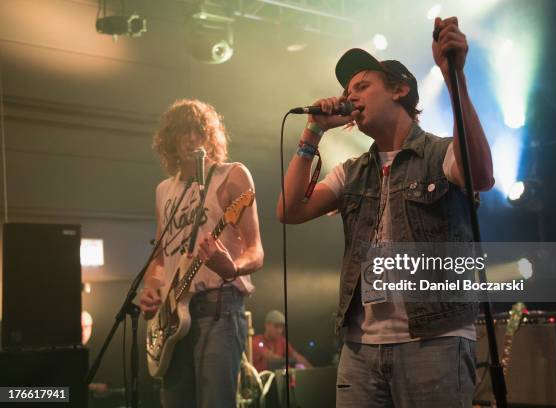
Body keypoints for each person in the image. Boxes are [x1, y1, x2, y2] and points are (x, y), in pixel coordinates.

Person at [277, 17, 494, 407]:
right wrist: (313, 131)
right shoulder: (353, 172)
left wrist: (453, 78)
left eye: (362, 86)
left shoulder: (439, 153)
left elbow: (481, 175)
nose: (351, 97)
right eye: (347, 90)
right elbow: (290, 210)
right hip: (361, 348)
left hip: (435, 340)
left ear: (399, 90)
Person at [140, 99, 264, 408]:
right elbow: (159, 259)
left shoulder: (233, 175)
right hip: (171, 322)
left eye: (199, 131)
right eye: (183, 132)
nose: (192, 138)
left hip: (217, 312)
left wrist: (232, 266)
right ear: (170, 140)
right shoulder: (163, 190)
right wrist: (152, 290)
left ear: (210, 136)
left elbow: (257, 251)